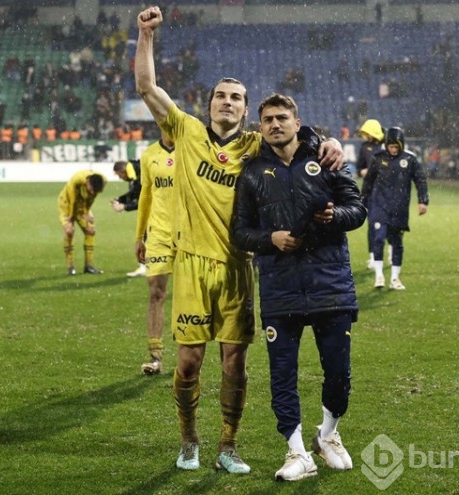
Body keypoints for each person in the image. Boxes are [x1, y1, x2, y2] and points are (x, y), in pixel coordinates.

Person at [135, 5, 343, 475]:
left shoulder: (254, 145)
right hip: (190, 264)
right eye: (220, 96)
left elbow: (293, 130)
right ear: (208, 104)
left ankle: (228, 445)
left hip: (237, 268)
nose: (227, 102)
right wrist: (145, 36)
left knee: (234, 365)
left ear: (246, 111)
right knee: (188, 364)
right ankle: (189, 440)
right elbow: (147, 87)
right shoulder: (185, 132)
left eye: (236, 98)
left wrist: (327, 141)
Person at [231, 93, 366, 481]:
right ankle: (296, 452)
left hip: (331, 285)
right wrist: (270, 238)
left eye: (282, 118)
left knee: (338, 373)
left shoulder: (326, 159)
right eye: (268, 119)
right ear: (260, 127)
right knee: (282, 377)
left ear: (297, 121)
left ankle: (328, 436)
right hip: (281, 288)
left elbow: (357, 209)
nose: (275, 124)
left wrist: (333, 215)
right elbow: (240, 232)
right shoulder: (253, 172)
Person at [361, 127, 429, 290]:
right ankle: (379, 276)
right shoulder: (378, 158)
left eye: (396, 147)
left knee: (397, 243)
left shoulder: (410, 160)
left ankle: (395, 279)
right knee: (378, 238)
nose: (393, 149)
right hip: (380, 205)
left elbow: (420, 180)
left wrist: (423, 201)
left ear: (401, 145)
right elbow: (369, 181)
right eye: (390, 146)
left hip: (399, 208)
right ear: (386, 145)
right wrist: (363, 199)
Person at [133, 132, 176, 375]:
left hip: (189, 233)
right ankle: (155, 356)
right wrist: (139, 236)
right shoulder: (149, 154)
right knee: (156, 293)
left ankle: (188, 354)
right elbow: (146, 195)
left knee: (189, 295)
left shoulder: (192, 149)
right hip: (159, 234)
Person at [57, 170, 106, 275]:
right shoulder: (76, 179)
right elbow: (72, 200)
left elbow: (92, 198)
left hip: (81, 206)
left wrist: (86, 212)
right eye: (91, 189)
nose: (92, 192)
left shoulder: (102, 181)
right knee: (69, 231)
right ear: (87, 182)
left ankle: (89, 266)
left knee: (91, 231)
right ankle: (70, 268)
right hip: (66, 204)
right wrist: (71, 216)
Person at [355, 119, 385, 270]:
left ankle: (392, 252)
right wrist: (362, 171)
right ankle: (373, 255)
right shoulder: (364, 147)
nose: (365, 136)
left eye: (367, 132)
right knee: (372, 224)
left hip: (386, 192)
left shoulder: (386, 146)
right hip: (370, 191)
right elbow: (359, 167)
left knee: (391, 224)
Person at [111, 159, 147, 277]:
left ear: (123, 170)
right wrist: (119, 200)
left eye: (120, 175)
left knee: (144, 237)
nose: (120, 178)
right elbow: (135, 194)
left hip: (157, 210)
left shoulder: (141, 175)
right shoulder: (136, 174)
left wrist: (125, 207)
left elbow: (143, 200)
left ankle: (145, 267)